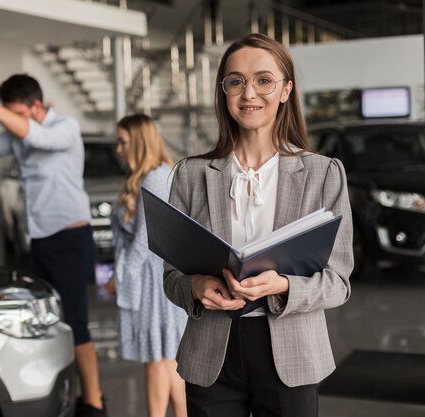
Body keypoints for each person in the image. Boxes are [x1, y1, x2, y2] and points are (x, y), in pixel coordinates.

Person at [162, 33, 353, 417]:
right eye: (236, 81)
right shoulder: (190, 174)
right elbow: (171, 277)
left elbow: (338, 282)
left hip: (292, 354)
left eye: (264, 80)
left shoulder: (323, 174)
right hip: (211, 355)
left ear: (285, 90)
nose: (249, 93)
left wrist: (283, 285)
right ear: (224, 92)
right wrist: (195, 286)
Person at [0, 74, 106, 417]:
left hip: (71, 240)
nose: (16, 119)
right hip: (41, 240)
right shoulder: (19, 134)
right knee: (51, 322)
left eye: (18, 112)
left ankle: (94, 402)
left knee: (75, 322)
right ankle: (66, 392)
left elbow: (38, 137)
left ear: (36, 105)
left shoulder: (66, 127)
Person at [109, 114, 188, 417]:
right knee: (162, 360)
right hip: (149, 280)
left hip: (154, 282)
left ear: (139, 142)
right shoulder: (149, 176)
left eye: (123, 142)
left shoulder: (155, 177)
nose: (119, 149)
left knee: (159, 359)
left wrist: (120, 276)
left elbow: (144, 239)